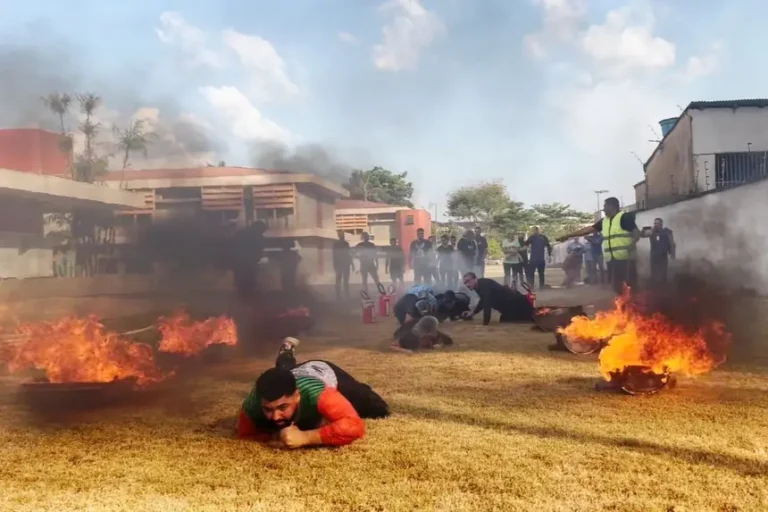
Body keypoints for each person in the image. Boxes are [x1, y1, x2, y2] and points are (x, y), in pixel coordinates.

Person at [238, 338, 389, 449]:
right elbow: (246, 435)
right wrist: (272, 436)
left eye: (283, 408)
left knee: (379, 409)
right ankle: (286, 352)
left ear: (297, 396)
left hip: (321, 370)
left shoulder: (318, 393)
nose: (275, 417)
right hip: (295, 372)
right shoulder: (253, 403)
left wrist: (306, 437)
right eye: (268, 409)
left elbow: (354, 426)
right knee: (284, 372)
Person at [557, 197, 641, 295]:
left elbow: (636, 234)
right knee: (616, 285)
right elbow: (588, 229)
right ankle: (623, 306)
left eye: (605, 206)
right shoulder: (604, 221)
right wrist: (568, 236)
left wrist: (630, 247)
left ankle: (633, 305)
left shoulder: (624, 217)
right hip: (612, 259)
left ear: (612, 206)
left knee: (628, 284)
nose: (604, 209)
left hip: (626, 259)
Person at [461, 272, 535, 325]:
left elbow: (487, 305)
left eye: (468, 281)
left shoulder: (484, 285)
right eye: (465, 283)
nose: (467, 284)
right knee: (505, 321)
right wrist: (473, 313)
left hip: (518, 306)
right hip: (510, 308)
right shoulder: (479, 285)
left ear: (475, 279)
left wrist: (485, 324)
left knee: (511, 323)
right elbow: (483, 301)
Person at [231, 221, 267, 299]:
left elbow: (232, 246)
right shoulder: (258, 236)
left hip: (238, 261)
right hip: (250, 262)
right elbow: (259, 250)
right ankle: (249, 297)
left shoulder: (240, 233)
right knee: (250, 280)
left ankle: (242, 297)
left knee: (240, 281)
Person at [649, 218, 675, 285]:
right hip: (654, 257)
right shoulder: (652, 232)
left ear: (661, 224)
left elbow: (672, 243)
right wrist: (645, 230)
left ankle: (663, 287)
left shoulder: (666, 232)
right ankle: (655, 287)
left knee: (663, 274)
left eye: (657, 223)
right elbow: (643, 235)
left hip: (663, 256)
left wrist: (672, 254)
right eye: (655, 223)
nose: (655, 225)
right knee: (654, 274)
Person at [333, 231, 353, 300]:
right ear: (340, 235)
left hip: (342, 264)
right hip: (343, 264)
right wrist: (351, 263)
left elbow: (348, 254)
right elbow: (335, 254)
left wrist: (351, 263)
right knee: (343, 281)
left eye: (343, 234)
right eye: (342, 234)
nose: (343, 235)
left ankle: (341, 295)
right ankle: (342, 295)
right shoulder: (344, 244)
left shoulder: (338, 244)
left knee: (342, 280)